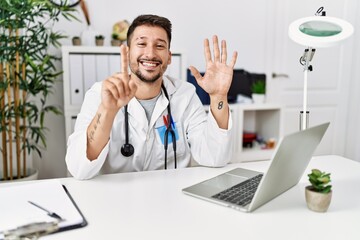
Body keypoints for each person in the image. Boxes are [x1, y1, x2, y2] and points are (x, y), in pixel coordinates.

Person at [65, 14, 238, 180]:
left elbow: (215, 157)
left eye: (160, 46)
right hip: (117, 202)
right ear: (127, 53)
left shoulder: (185, 94)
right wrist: (107, 111)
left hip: (172, 199)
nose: (150, 53)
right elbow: (79, 169)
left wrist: (218, 96)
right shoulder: (100, 94)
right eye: (142, 44)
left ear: (169, 57)